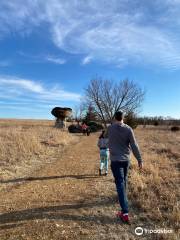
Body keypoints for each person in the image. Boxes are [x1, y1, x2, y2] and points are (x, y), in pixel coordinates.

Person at [107, 111, 143, 223]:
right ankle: (123, 199)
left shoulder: (110, 128)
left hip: (115, 161)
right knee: (123, 181)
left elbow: (105, 137)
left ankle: (125, 212)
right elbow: (134, 145)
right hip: (126, 160)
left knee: (120, 183)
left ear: (114, 117)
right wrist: (140, 159)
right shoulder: (128, 129)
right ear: (124, 117)